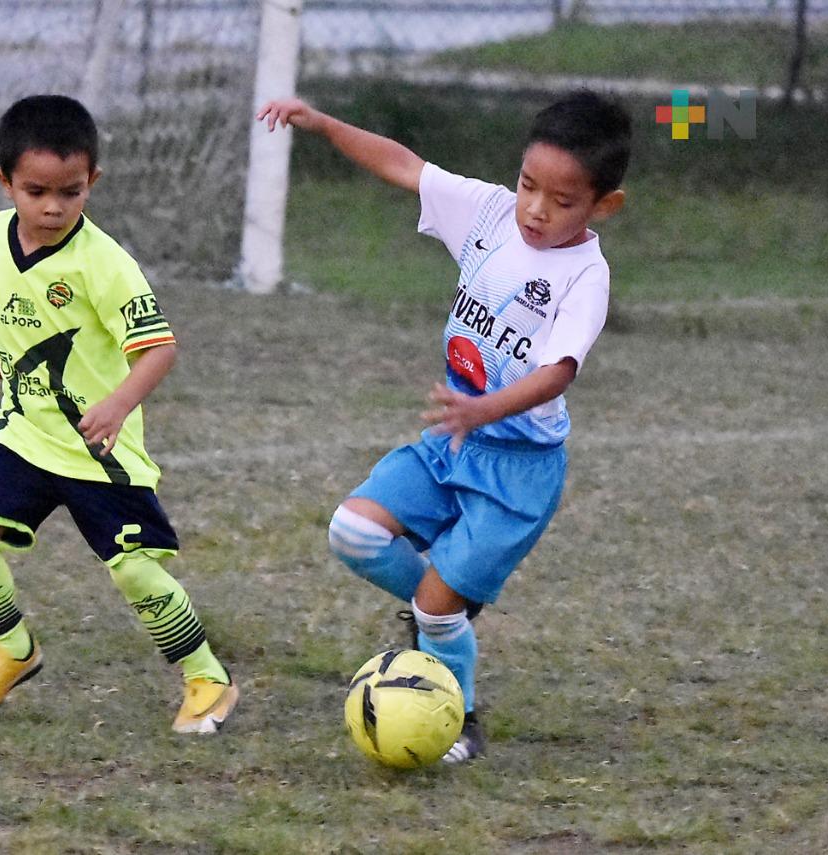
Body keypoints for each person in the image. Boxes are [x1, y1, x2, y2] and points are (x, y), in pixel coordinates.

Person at [258, 91, 630, 763]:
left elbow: (558, 372)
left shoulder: (585, 275)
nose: (537, 209)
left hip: (516, 470)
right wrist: (324, 123)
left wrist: (484, 408)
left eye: (563, 200)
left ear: (604, 205)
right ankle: (443, 611)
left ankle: (461, 715)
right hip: (451, 441)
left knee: (436, 605)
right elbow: (403, 165)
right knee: (354, 531)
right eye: (528, 185)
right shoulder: (489, 212)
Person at [0, 94, 239, 734]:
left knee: (135, 570)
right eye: (36, 191)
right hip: (25, 433)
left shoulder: (106, 264)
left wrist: (116, 404)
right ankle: (12, 649)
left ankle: (206, 677)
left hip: (97, 451)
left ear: (92, 183)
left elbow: (160, 348)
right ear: (5, 184)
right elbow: (1, 290)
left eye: (71, 192)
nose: (53, 206)